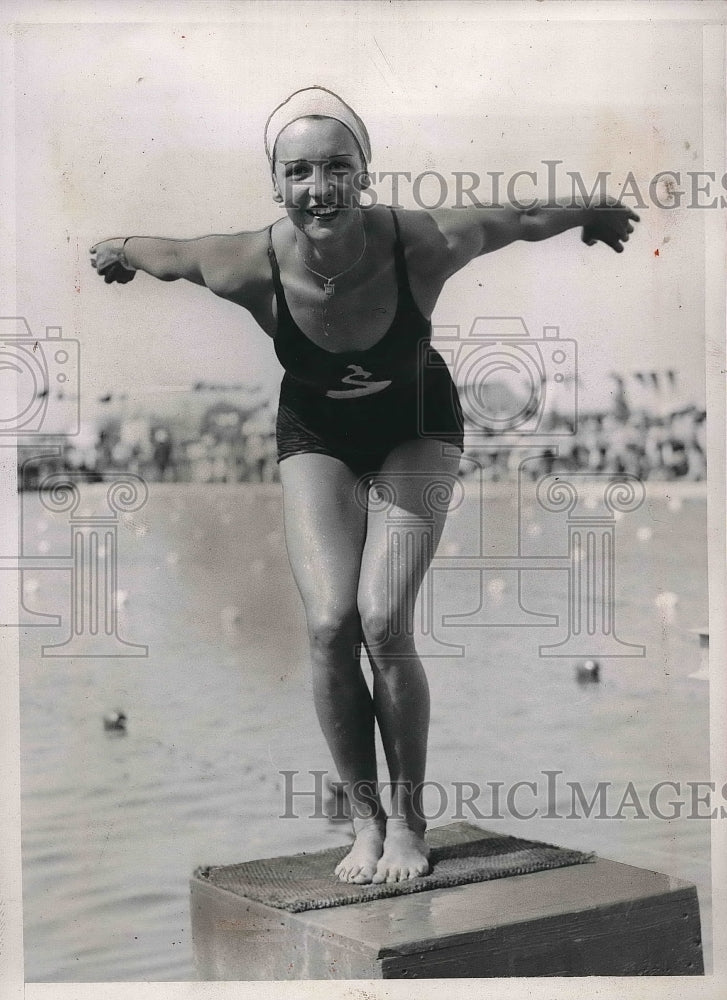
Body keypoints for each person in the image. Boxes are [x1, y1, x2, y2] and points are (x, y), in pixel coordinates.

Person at [90, 86, 639, 885]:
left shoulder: (422, 241)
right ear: (276, 183)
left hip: (417, 421)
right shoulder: (243, 260)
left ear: (366, 173)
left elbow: (515, 221)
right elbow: (164, 254)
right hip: (315, 433)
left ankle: (411, 826)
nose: (319, 188)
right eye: (300, 171)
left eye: (337, 168)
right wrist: (117, 250)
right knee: (327, 624)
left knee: (383, 620)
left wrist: (588, 211)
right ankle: (363, 820)